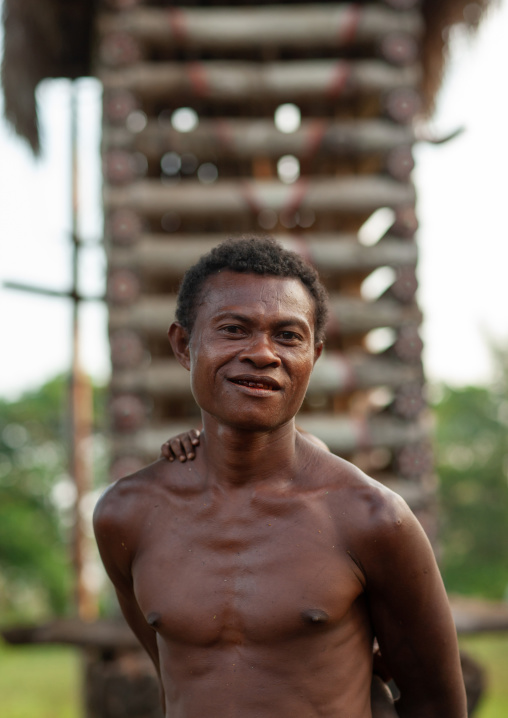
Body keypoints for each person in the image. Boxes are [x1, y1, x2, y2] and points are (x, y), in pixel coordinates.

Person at [94, 236, 467, 718]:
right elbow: (174, 674)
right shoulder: (128, 515)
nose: (263, 353)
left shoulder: (371, 519)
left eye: (288, 336)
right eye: (234, 329)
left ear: (313, 355)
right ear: (185, 345)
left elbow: (436, 704)